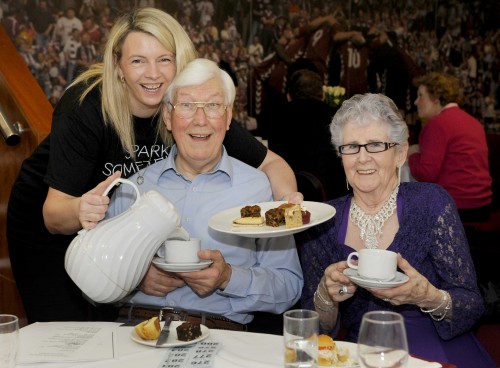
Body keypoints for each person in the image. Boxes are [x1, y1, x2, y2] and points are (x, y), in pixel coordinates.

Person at [7, 8, 301, 324]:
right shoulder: (87, 107)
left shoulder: (190, 108)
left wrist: (288, 206)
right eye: (138, 61)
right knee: (65, 326)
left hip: (108, 229)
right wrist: (86, 212)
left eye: (164, 59)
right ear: (119, 66)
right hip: (53, 218)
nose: (153, 74)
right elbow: (54, 216)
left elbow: (272, 163)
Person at [299, 93, 495, 367]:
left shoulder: (431, 203)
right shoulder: (323, 222)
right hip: (362, 353)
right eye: (351, 147)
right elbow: (313, 328)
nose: (362, 158)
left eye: (376, 145)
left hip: (435, 347)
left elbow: (472, 304)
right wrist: (326, 295)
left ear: (400, 154)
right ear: (340, 155)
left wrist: (429, 297)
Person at [108, 58, 303, 330]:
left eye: (212, 106)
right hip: (134, 327)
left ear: (228, 117)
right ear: (167, 116)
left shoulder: (259, 189)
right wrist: (134, 278)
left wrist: (228, 278)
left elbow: (289, 287)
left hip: (218, 331)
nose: (200, 120)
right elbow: (93, 279)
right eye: (187, 105)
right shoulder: (133, 188)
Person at [408, 72, 492, 222]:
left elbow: (426, 174)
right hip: (482, 205)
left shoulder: (437, 124)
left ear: (436, 99)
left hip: (455, 208)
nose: (415, 102)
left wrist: (412, 154)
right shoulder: (473, 122)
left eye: (420, 96)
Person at [268, 68, 346, 200]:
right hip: (331, 197)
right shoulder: (336, 118)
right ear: (322, 95)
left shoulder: (275, 118)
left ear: (289, 96)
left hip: (285, 195)